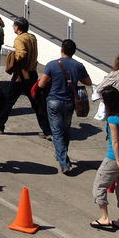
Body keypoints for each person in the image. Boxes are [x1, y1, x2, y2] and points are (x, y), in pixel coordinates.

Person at [37, 39, 92, 175]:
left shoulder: (51, 65)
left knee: (56, 132)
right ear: (74, 52)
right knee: (65, 130)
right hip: (69, 103)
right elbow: (88, 82)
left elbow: (41, 85)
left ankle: (64, 162)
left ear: (62, 49)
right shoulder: (78, 65)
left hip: (53, 101)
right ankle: (60, 153)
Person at [0, 17, 51, 138]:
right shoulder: (32, 37)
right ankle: (47, 130)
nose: (13, 27)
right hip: (32, 74)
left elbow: (22, 54)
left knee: (8, 101)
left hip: (21, 75)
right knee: (37, 102)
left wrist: (14, 56)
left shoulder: (19, 39)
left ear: (18, 27)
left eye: (14, 26)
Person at [91, 87, 119, 231]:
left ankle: (104, 218)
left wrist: (117, 162)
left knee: (99, 186)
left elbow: (115, 143)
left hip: (114, 159)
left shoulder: (113, 119)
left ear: (107, 101)